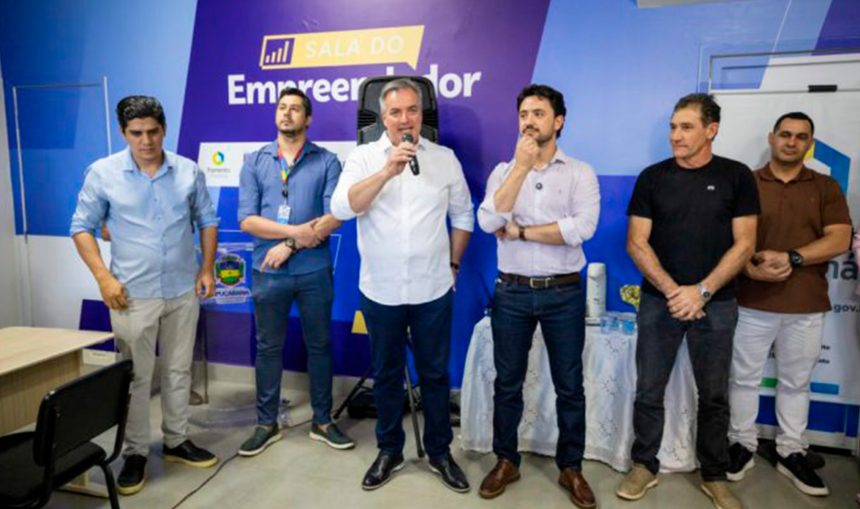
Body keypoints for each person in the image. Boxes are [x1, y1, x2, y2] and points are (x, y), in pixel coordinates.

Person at [70, 95, 219, 495]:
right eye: (136, 133)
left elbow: (207, 220)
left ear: (163, 129)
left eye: (153, 131)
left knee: (178, 370)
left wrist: (207, 268)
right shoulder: (103, 174)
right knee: (136, 376)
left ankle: (176, 440)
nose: (146, 141)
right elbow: (81, 227)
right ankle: (135, 452)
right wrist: (103, 278)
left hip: (182, 290)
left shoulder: (187, 171)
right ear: (124, 132)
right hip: (131, 295)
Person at [331, 78, 473, 492]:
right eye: (396, 112)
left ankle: (440, 452)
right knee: (387, 375)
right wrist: (387, 171)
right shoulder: (363, 158)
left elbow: (464, 215)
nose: (405, 119)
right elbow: (343, 207)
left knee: (435, 374)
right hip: (381, 290)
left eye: (413, 110)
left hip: (433, 290)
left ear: (421, 114)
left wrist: (453, 264)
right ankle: (389, 450)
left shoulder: (444, 158)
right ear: (383, 117)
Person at [618, 93, 759, 509]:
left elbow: (745, 244)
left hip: (717, 303)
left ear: (711, 130)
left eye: (686, 127)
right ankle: (644, 465)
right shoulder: (652, 178)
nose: (675, 136)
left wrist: (702, 291)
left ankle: (714, 475)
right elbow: (636, 242)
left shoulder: (736, 176)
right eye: (673, 127)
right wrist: (673, 291)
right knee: (649, 389)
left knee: (714, 395)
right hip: (659, 302)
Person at [476, 84, 600, 508]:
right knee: (507, 383)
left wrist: (522, 231)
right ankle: (506, 461)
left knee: (570, 385)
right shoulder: (504, 171)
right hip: (511, 291)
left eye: (539, 114)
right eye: (524, 114)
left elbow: (580, 229)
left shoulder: (580, 173)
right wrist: (521, 168)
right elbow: (488, 220)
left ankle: (571, 467)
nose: (529, 122)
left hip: (563, 292)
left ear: (558, 121)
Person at [727, 112, 850, 497]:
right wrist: (748, 266)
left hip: (805, 304)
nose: (791, 142)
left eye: (800, 136)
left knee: (796, 383)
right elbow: (726, 237)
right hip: (751, 300)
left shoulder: (826, 186)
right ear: (772, 138)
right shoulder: (745, 182)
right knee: (743, 378)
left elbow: (840, 238)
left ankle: (790, 450)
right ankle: (741, 444)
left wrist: (792, 257)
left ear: (809, 144)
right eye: (785, 134)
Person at [237, 87, 353, 456]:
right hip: (267, 270)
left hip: (313, 270)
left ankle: (322, 421)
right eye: (282, 107)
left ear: (308, 118)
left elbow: (332, 217)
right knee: (268, 347)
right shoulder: (255, 161)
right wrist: (295, 232)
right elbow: (248, 220)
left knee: (319, 345)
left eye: (295, 109)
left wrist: (289, 244)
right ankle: (265, 424)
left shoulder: (327, 161)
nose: (287, 114)